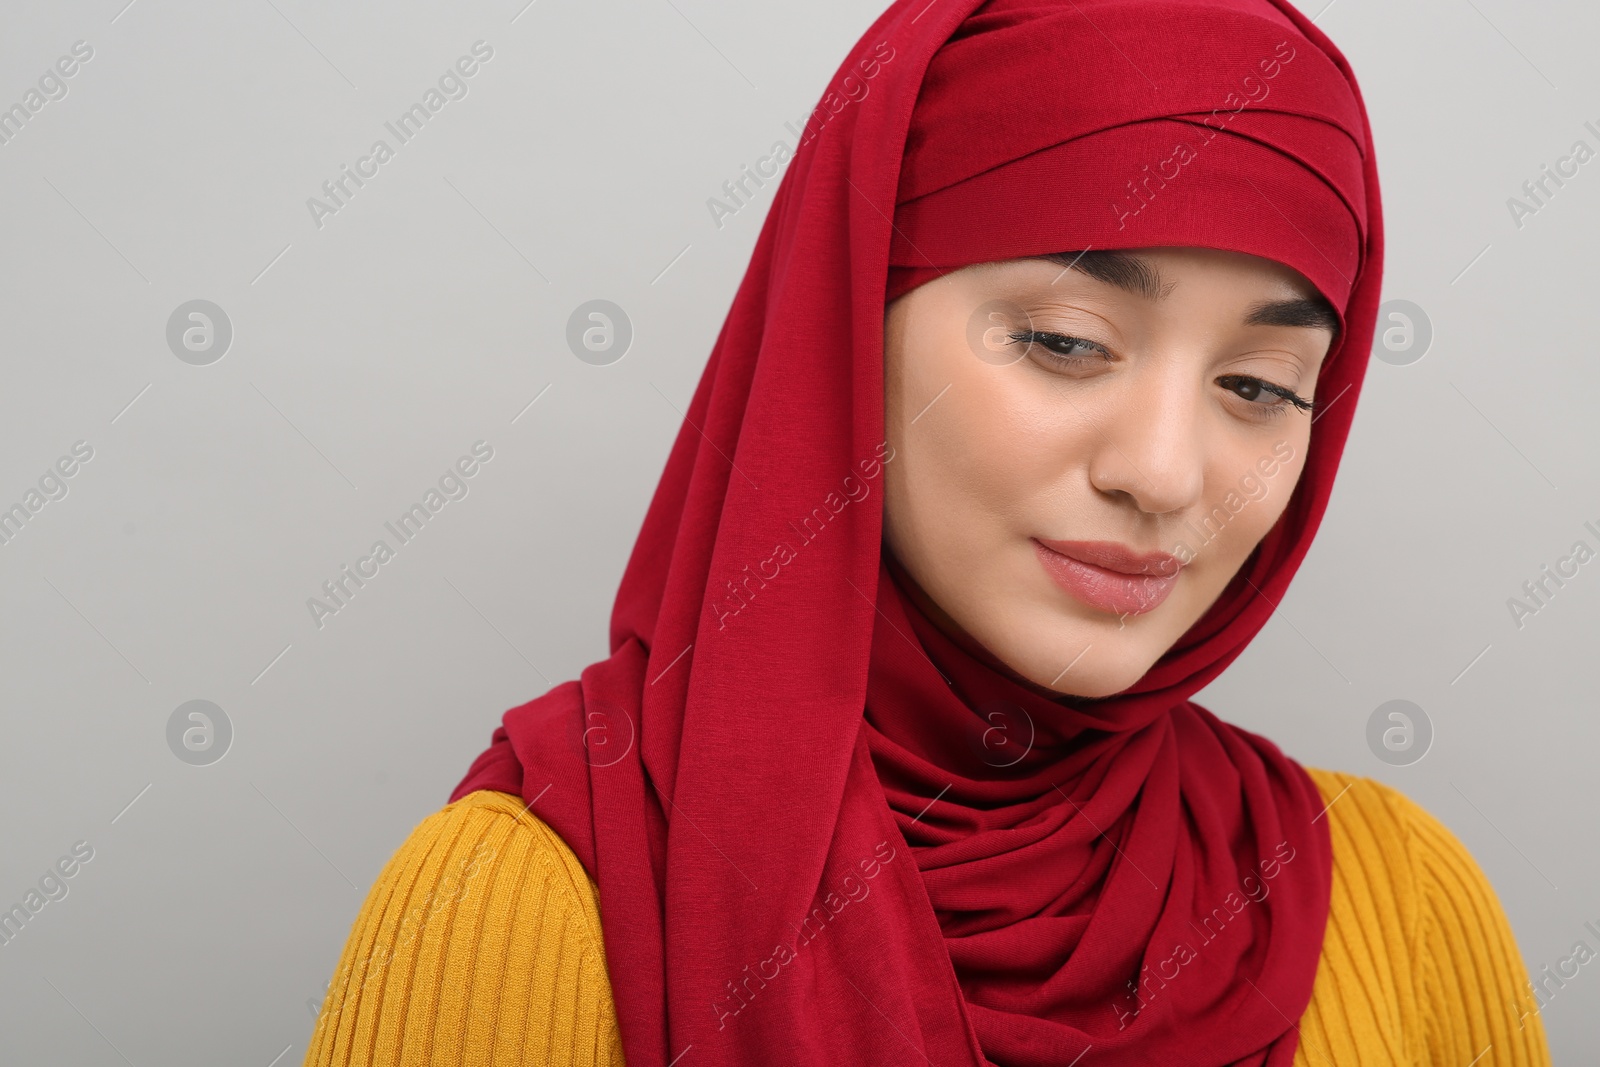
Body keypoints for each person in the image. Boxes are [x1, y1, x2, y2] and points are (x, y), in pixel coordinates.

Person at [302, 0, 1553, 1063]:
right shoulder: (528, 903)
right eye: (1065, 342)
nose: (1166, 473)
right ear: (848, 329)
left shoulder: (1401, 904)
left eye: (1261, 386)